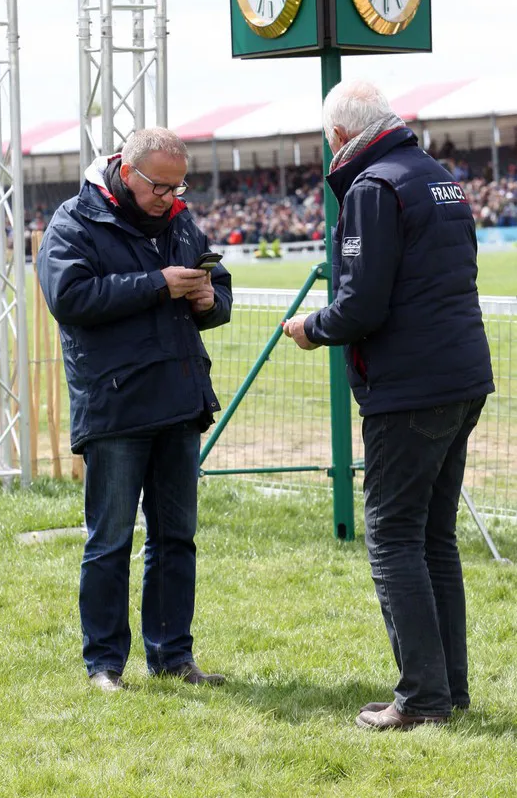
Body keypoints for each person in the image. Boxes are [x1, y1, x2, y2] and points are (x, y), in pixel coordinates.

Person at [283, 81, 494, 730]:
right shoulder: (436, 175)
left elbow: (361, 305)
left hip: (408, 386)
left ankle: (422, 699)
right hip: (461, 373)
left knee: (394, 536)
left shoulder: (373, 187)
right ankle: (447, 690)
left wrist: (310, 327)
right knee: (433, 538)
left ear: (339, 136)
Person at [37, 128, 232, 691]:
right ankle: (104, 664)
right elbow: (69, 298)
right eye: (159, 187)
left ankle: (173, 657)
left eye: (178, 187)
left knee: (176, 538)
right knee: (110, 541)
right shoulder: (74, 222)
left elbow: (219, 288)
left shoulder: (180, 221)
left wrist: (209, 299)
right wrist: (157, 284)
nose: (169, 198)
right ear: (126, 171)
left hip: (178, 399)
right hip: (115, 404)